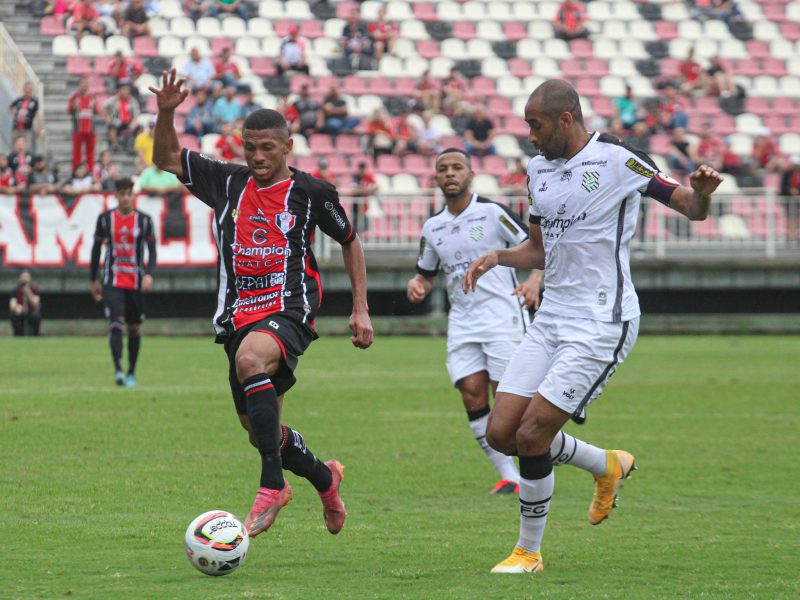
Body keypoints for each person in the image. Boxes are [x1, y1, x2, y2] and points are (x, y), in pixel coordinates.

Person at [461, 79, 722, 574]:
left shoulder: (619, 159)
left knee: (533, 435)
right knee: (501, 433)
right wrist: (498, 255)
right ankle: (606, 464)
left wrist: (704, 194)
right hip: (552, 317)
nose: (530, 136)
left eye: (535, 126)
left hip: (602, 320)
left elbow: (689, 206)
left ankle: (528, 552)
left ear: (565, 119)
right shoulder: (538, 169)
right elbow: (538, 249)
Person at [149, 68, 373, 537]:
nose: (256, 156)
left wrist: (360, 308)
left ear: (287, 147)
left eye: (267, 147)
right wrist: (167, 112)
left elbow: (351, 241)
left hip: (290, 306)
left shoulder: (312, 193)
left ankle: (271, 485)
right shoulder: (226, 183)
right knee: (260, 432)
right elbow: (167, 156)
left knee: (253, 359)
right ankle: (324, 479)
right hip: (239, 314)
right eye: (249, 147)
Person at [408, 148, 542, 495]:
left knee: (509, 401)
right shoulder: (433, 227)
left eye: (457, 167)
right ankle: (509, 476)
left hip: (502, 318)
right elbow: (426, 274)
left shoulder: (493, 213)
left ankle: (537, 468)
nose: (450, 173)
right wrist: (418, 285)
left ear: (470, 174)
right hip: (463, 322)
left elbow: (538, 248)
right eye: (443, 169)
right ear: (435, 178)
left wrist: (533, 280)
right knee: (471, 395)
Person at [90, 177, 157, 387]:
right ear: (116, 195)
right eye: (122, 194)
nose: (126, 198)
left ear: (133, 195)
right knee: (117, 322)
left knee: (134, 327)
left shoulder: (144, 220)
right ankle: (118, 369)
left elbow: (152, 249)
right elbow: (95, 249)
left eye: (129, 193)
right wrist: (93, 278)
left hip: (135, 280)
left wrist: (149, 273)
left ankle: (131, 372)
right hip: (112, 279)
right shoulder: (105, 219)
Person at [67, 77, 101, 171]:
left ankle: (90, 172)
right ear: (79, 85)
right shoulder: (74, 97)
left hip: (91, 129)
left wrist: (113, 116)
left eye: (86, 83)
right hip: (78, 129)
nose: (84, 85)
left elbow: (98, 110)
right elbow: (69, 110)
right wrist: (74, 106)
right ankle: (76, 172)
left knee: (90, 153)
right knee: (76, 153)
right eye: (82, 83)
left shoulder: (93, 97)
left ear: (89, 85)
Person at [8, 82, 43, 155]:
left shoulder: (34, 101)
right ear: (23, 90)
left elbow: (37, 114)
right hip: (16, 127)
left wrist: (39, 127)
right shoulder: (19, 99)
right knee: (13, 148)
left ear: (31, 91)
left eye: (29, 90)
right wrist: (14, 114)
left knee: (27, 148)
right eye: (26, 90)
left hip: (27, 129)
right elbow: (10, 106)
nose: (27, 92)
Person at [103, 85, 140, 151]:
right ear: (119, 90)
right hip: (116, 119)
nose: (125, 92)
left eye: (127, 90)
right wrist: (107, 117)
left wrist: (134, 122)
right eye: (124, 89)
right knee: (111, 126)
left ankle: (136, 146)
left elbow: (136, 113)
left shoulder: (132, 100)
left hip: (129, 122)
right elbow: (102, 107)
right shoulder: (113, 99)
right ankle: (115, 145)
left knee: (139, 128)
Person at [9, 270, 42, 337]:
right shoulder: (15, 290)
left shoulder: (34, 289)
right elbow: (12, 304)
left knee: (36, 315)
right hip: (20, 311)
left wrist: (27, 291)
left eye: (26, 277)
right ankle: (18, 334)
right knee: (14, 315)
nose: (24, 279)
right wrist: (17, 307)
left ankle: (35, 334)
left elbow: (36, 303)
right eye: (23, 277)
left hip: (31, 311)